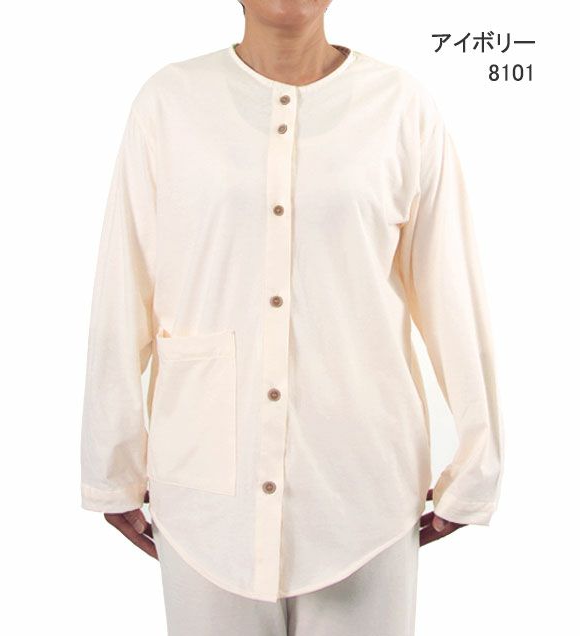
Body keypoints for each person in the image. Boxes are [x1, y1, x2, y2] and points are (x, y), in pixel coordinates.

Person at [80, 1, 504, 634]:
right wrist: (110, 467)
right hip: (207, 491)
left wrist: (477, 464)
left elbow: (453, 294)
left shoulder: (400, 107)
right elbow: (124, 285)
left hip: (361, 486)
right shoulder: (168, 104)